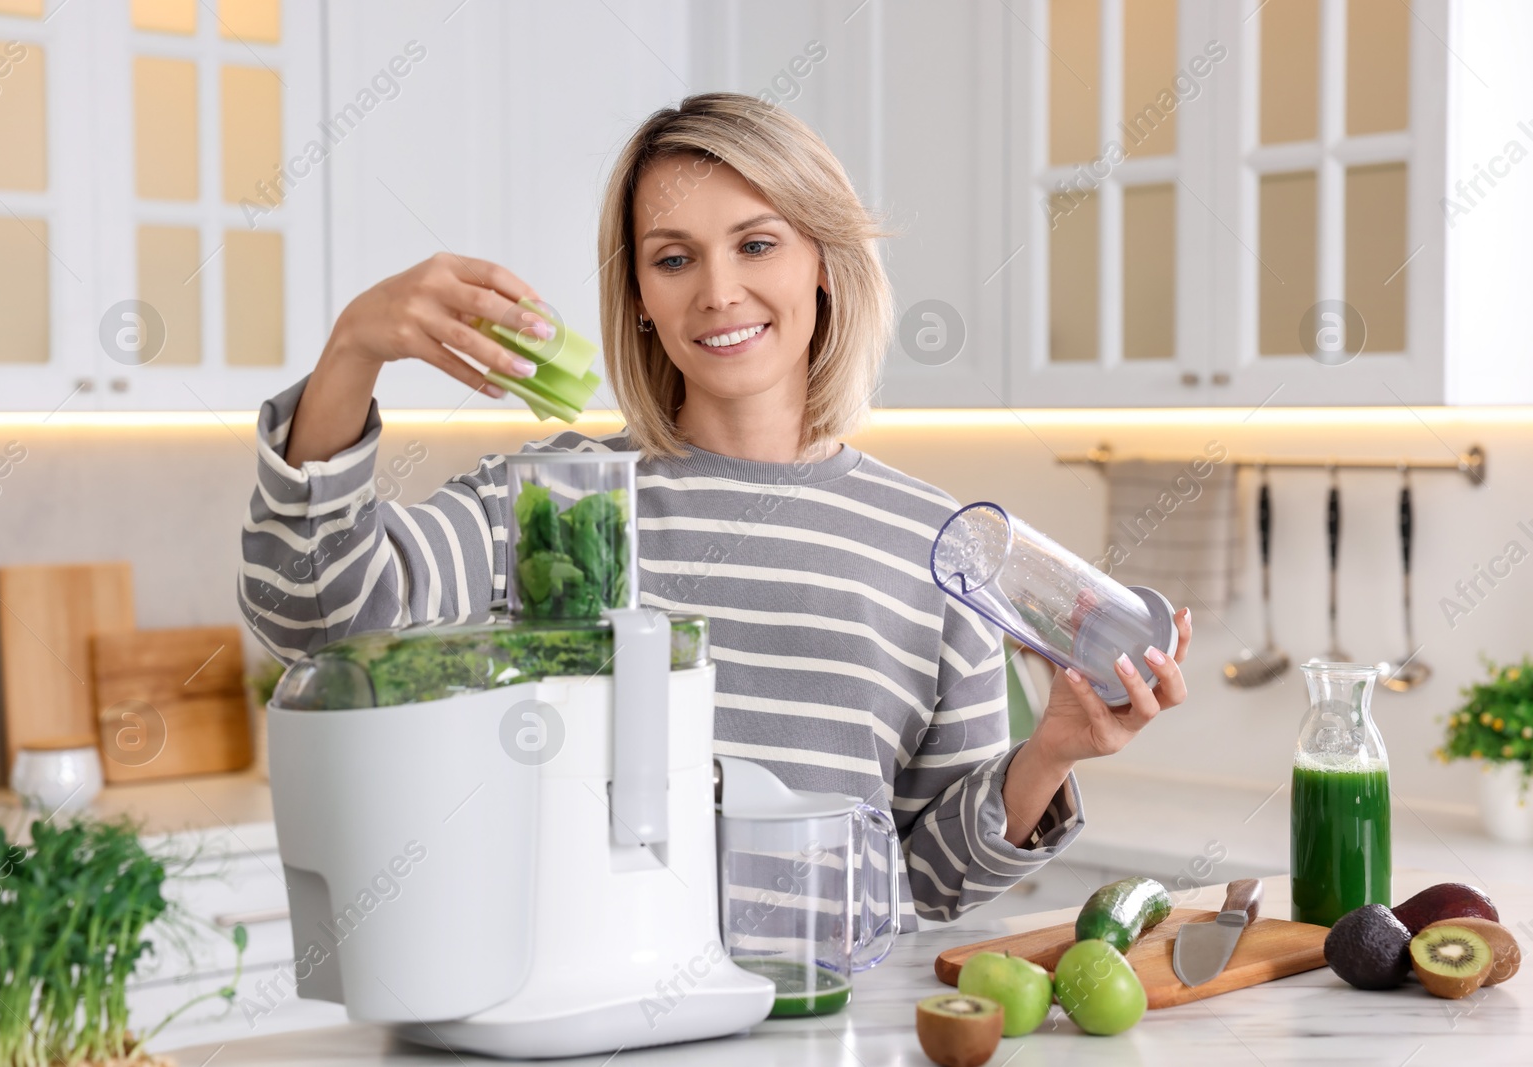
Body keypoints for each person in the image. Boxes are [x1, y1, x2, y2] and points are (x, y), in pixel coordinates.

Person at [238, 92, 1192, 929]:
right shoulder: (557, 509)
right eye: (673, 257)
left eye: (757, 243)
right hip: (590, 1013)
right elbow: (320, 622)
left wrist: (1052, 750)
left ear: (823, 261)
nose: (719, 290)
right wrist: (353, 349)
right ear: (641, 297)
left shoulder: (930, 544)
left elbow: (930, 878)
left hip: (822, 1025)